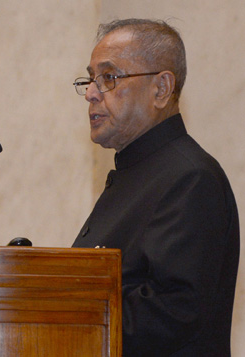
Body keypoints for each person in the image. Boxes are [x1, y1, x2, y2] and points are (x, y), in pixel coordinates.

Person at [72, 19, 239, 356]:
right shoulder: (136, 172)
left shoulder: (190, 178)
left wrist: (66, 320)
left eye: (109, 77)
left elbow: (171, 312)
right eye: (90, 78)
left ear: (161, 89)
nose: (91, 92)